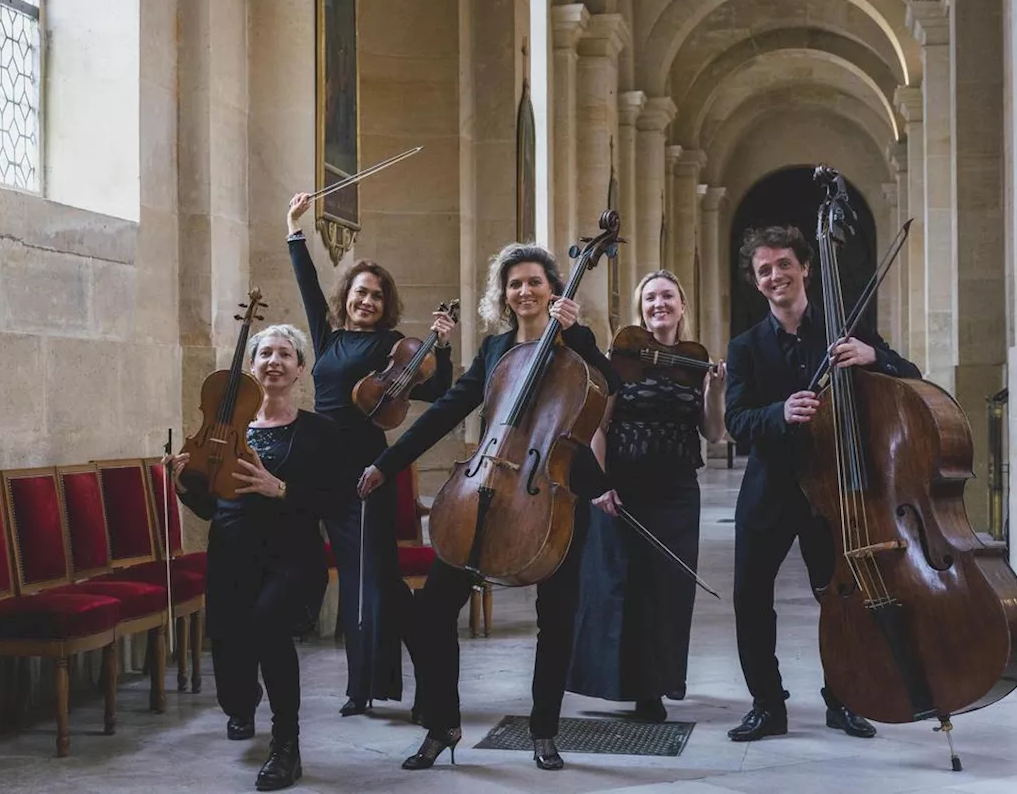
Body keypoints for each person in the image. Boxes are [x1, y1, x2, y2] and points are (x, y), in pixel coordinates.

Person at [357, 243, 620, 772]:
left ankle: (544, 729)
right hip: (483, 491)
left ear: (553, 290)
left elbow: (608, 387)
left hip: (552, 492)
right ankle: (441, 722)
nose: (524, 291)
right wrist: (389, 463)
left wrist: (579, 338)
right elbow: (446, 411)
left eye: (534, 282)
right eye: (514, 284)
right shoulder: (497, 349)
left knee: (558, 616)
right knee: (432, 613)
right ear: (504, 294)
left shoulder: (578, 344)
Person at [724, 225, 920, 742]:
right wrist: (779, 412)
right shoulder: (745, 346)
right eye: (764, 270)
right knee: (750, 596)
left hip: (835, 492)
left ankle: (844, 698)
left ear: (805, 267)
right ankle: (767, 704)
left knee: (842, 597)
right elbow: (737, 420)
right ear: (756, 281)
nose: (775, 276)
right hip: (770, 489)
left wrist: (875, 358)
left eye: (784, 264)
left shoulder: (844, 331)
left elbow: (912, 378)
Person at [285, 193, 457, 717]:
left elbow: (435, 392)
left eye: (377, 296)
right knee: (310, 560)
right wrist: (294, 229)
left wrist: (441, 347)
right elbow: (308, 284)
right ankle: (351, 669)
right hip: (319, 465)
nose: (367, 301)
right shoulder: (328, 336)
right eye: (361, 293)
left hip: (367, 470)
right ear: (348, 296)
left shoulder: (394, 348)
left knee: (370, 581)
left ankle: (365, 687)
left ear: (387, 304)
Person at [171, 324, 344, 792]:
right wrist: (184, 483)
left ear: (300, 369)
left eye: (285, 354)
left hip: (292, 557)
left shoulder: (319, 432)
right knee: (230, 643)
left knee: (269, 625)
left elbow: (337, 502)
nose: (274, 361)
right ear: (250, 367)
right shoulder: (225, 432)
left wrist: (281, 488)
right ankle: (242, 702)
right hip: (232, 552)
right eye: (264, 353)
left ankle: (286, 746)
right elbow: (210, 506)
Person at [568, 269, 726, 723]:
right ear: (642, 308)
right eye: (651, 297)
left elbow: (713, 433)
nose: (660, 304)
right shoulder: (620, 360)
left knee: (668, 591)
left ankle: (654, 690)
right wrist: (600, 486)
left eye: (668, 296)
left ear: (681, 306)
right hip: (624, 488)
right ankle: (619, 684)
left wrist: (715, 391)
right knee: (621, 586)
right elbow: (600, 426)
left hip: (676, 489)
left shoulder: (697, 362)